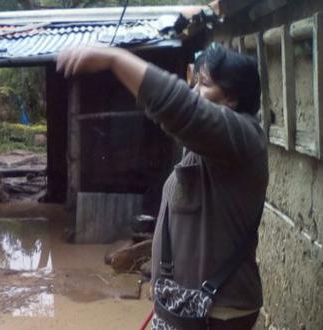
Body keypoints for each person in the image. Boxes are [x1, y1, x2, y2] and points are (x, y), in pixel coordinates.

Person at [56, 43, 267, 330]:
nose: (193, 91)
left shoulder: (242, 138)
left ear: (231, 98)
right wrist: (161, 281)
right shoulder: (204, 150)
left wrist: (115, 59)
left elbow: (181, 109)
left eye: (203, 84)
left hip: (215, 315)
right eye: (193, 83)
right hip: (184, 307)